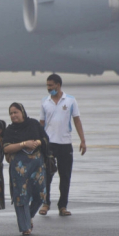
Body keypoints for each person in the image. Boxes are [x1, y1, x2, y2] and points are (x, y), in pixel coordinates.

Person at [39, 73, 86, 216]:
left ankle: (62, 206)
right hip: (50, 144)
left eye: (51, 85)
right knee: (47, 175)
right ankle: (45, 203)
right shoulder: (45, 102)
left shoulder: (70, 100)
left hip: (65, 144)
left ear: (58, 85)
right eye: (47, 85)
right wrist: (39, 141)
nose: (48, 88)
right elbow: (41, 123)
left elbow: (77, 120)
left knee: (65, 176)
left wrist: (83, 140)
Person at [3, 103, 48, 236]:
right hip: (19, 166)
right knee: (21, 196)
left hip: (36, 164)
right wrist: (24, 144)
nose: (13, 115)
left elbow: (45, 138)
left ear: (22, 112)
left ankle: (29, 216)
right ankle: (25, 227)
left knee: (40, 194)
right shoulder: (10, 130)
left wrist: (38, 142)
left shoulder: (33, 124)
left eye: (16, 112)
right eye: (11, 113)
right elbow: (6, 148)